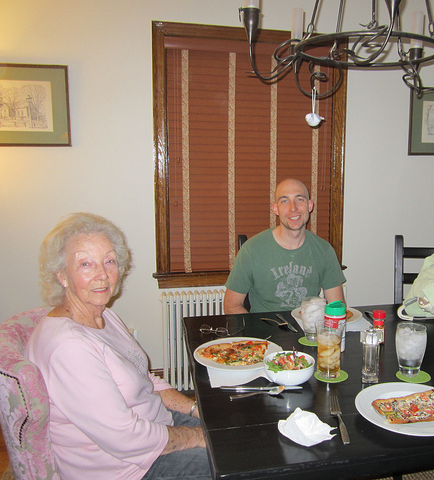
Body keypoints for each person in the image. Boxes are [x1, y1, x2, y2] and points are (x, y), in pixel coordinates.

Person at [25, 212, 211, 480]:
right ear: (62, 275)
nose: (102, 274)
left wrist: (195, 410)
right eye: (86, 264)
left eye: (109, 261)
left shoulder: (104, 315)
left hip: (155, 426)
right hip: (126, 467)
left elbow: (144, 379)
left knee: (231, 433)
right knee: (234, 463)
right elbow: (125, 438)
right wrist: (197, 436)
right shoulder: (69, 347)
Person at [224, 178, 346, 313]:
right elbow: (231, 305)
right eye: (284, 201)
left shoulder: (324, 250)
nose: (293, 208)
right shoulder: (251, 250)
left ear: (310, 206)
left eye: (300, 199)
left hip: (308, 325)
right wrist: (252, 326)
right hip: (264, 325)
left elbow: (337, 306)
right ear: (275, 209)